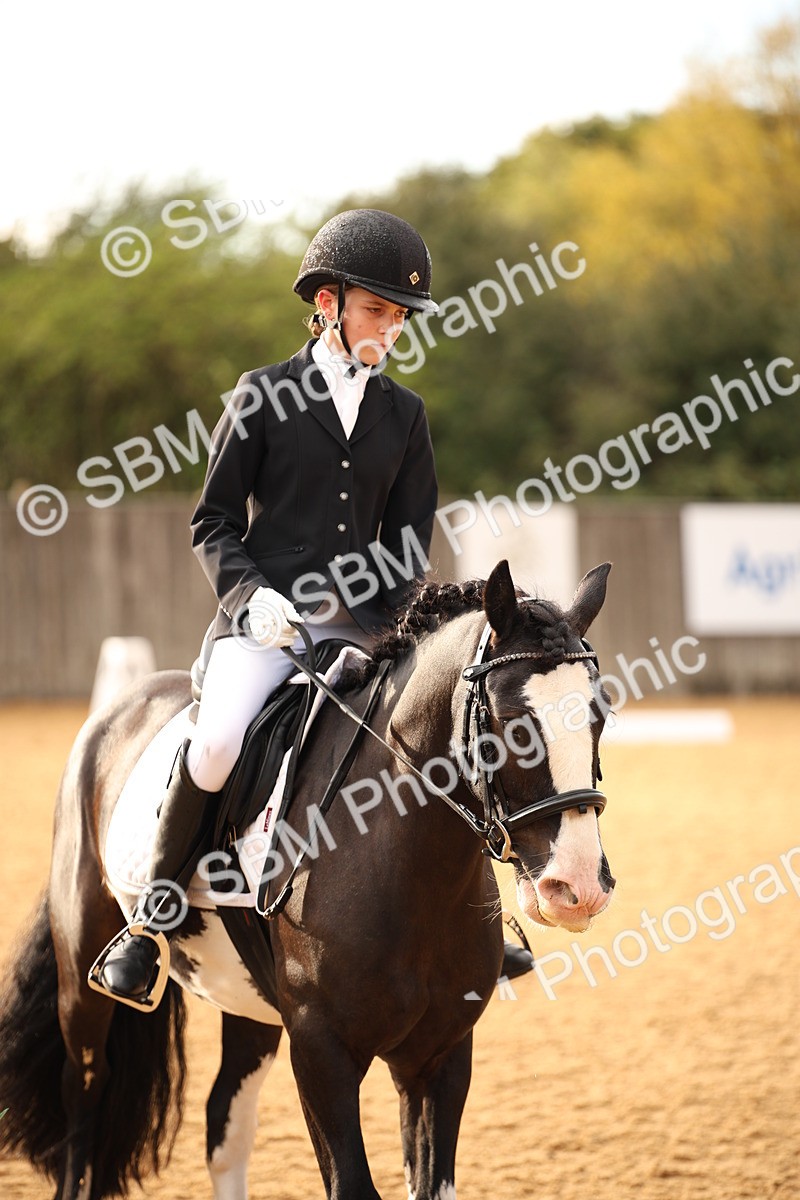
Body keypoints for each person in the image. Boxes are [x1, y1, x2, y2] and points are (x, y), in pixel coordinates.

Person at [94, 208, 532, 1008]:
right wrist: (249, 597)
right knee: (220, 737)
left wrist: (412, 623)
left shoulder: (406, 415)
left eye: (401, 317)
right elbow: (212, 522)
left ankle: (479, 917)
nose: (391, 329)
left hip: (365, 626)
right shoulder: (261, 395)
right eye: (377, 311)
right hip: (266, 621)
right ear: (326, 302)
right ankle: (153, 913)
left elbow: (405, 548)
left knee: (438, 729)